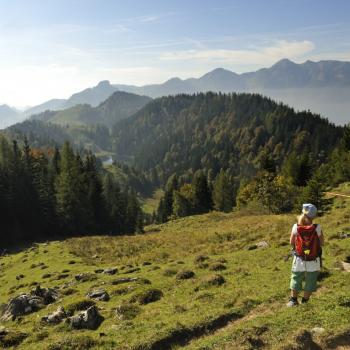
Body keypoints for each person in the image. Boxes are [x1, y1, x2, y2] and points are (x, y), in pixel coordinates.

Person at [287, 203, 324, 307]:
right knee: (311, 279)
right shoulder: (317, 227)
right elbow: (322, 243)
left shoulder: (296, 227)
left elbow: (291, 242)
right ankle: (305, 302)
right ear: (313, 217)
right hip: (313, 259)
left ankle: (293, 301)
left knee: (296, 277)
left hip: (299, 258)